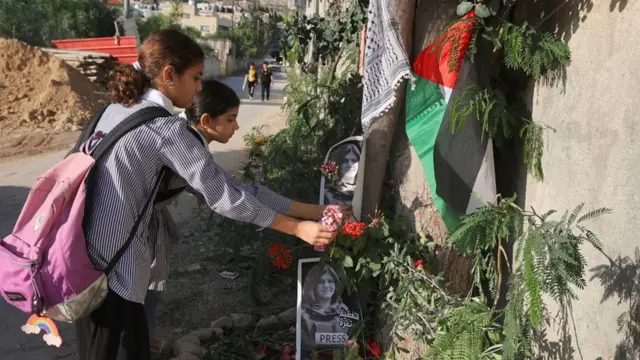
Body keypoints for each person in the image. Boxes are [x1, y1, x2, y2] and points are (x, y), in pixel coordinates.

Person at [74, 29, 336, 360]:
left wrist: (310, 213)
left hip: (85, 261)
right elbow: (227, 195)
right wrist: (297, 227)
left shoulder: (116, 108)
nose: (200, 86)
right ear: (169, 75)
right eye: (196, 77)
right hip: (115, 271)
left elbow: (239, 189)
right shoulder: (166, 130)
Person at [300, 263, 351, 355]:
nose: (326, 285)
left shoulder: (345, 311)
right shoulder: (303, 314)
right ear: (312, 286)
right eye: (320, 282)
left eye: (330, 281)